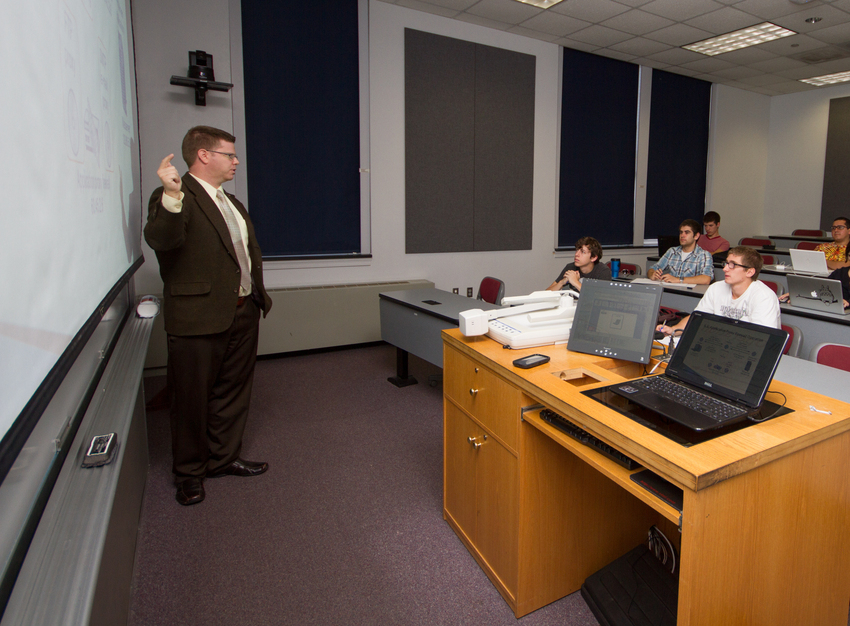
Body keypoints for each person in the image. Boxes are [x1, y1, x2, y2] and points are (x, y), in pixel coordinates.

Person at [144, 126, 273, 506]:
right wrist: (170, 195)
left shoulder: (229, 200)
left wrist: (254, 299)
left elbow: (243, 252)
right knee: (190, 399)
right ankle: (189, 473)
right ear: (203, 155)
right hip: (198, 317)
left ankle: (223, 458)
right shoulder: (175, 196)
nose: (235, 161)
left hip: (242, 311)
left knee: (233, 392)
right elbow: (162, 240)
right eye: (229, 155)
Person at [657, 246, 781, 337]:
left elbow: (760, 339)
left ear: (750, 272)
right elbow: (697, 318)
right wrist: (674, 329)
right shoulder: (716, 288)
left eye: (732, 265)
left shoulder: (764, 297)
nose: (725, 269)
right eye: (726, 263)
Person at [649, 219, 713, 285]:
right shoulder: (672, 251)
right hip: (671, 290)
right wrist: (652, 274)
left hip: (690, 293)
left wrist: (678, 280)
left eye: (687, 232)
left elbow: (706, 279)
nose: (682, 235)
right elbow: (652, 268)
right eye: (681, 232)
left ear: (696, 236)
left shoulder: (704, 255)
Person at [547, 236, 611, 292]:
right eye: (577, 250)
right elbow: (546, 293)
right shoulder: (570, 267)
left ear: (593, 258)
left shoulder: (603, 271)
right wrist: (561, 283)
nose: (576, 254)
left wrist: (575, 282)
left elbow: (599, 298)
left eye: (583, 252)